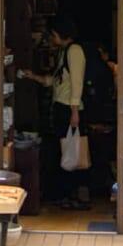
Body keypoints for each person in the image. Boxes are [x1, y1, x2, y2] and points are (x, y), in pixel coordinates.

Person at [23, 17, 89, 210]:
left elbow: (77, 83)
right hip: (63, 107)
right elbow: (58, 81)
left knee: (73, 152)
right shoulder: (65, 51)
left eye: (52, 35)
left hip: (70, 108)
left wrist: (74, 111)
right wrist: (34, 77)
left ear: (60, 34)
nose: (50, 38)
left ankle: (77, 195)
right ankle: (68, 195)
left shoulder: (74, 51)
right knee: (66, 151)